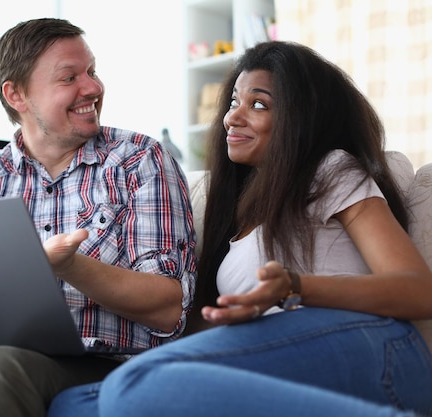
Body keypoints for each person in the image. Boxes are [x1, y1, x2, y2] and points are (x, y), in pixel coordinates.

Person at [46, 41, 432, 417]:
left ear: (302, 118)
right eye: (234, 102)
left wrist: (295, 288)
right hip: (283, 360)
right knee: (73, 405)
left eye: (259, 105)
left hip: (375, 349)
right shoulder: (239, 212)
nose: (233, 117)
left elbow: (419, 290)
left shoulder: (331, 169)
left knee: (135, 385)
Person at [0, 18, 197, 417]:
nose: (92, 87)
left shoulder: (138, 160)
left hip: (101, 363)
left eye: (91, 71)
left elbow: (169, 308)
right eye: (69, 77)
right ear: (16, 95)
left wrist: (70, 266)